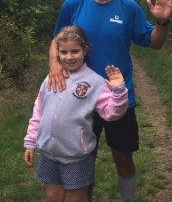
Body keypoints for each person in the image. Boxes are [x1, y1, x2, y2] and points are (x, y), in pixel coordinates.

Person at [48, 0, 172, 202]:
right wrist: (54, 64)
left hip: (119, 98)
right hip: (79, 98)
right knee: (81, 161)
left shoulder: (129, 7)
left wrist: (162, 22)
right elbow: (57, 39)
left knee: (124, 159)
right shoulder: (72, 5)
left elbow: (154, 42)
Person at [24, 25, 128, 202]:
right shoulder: (51, 78)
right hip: (49, 153)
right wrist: (30, 141)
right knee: (53, 196)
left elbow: (112, 113)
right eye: (63, 52)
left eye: (75, 51)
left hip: (76, 156)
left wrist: (118, 90)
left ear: (85, 50)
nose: (69, 57)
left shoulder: (94, 82)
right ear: (57, 53)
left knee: (76, 199)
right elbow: (38, 111)